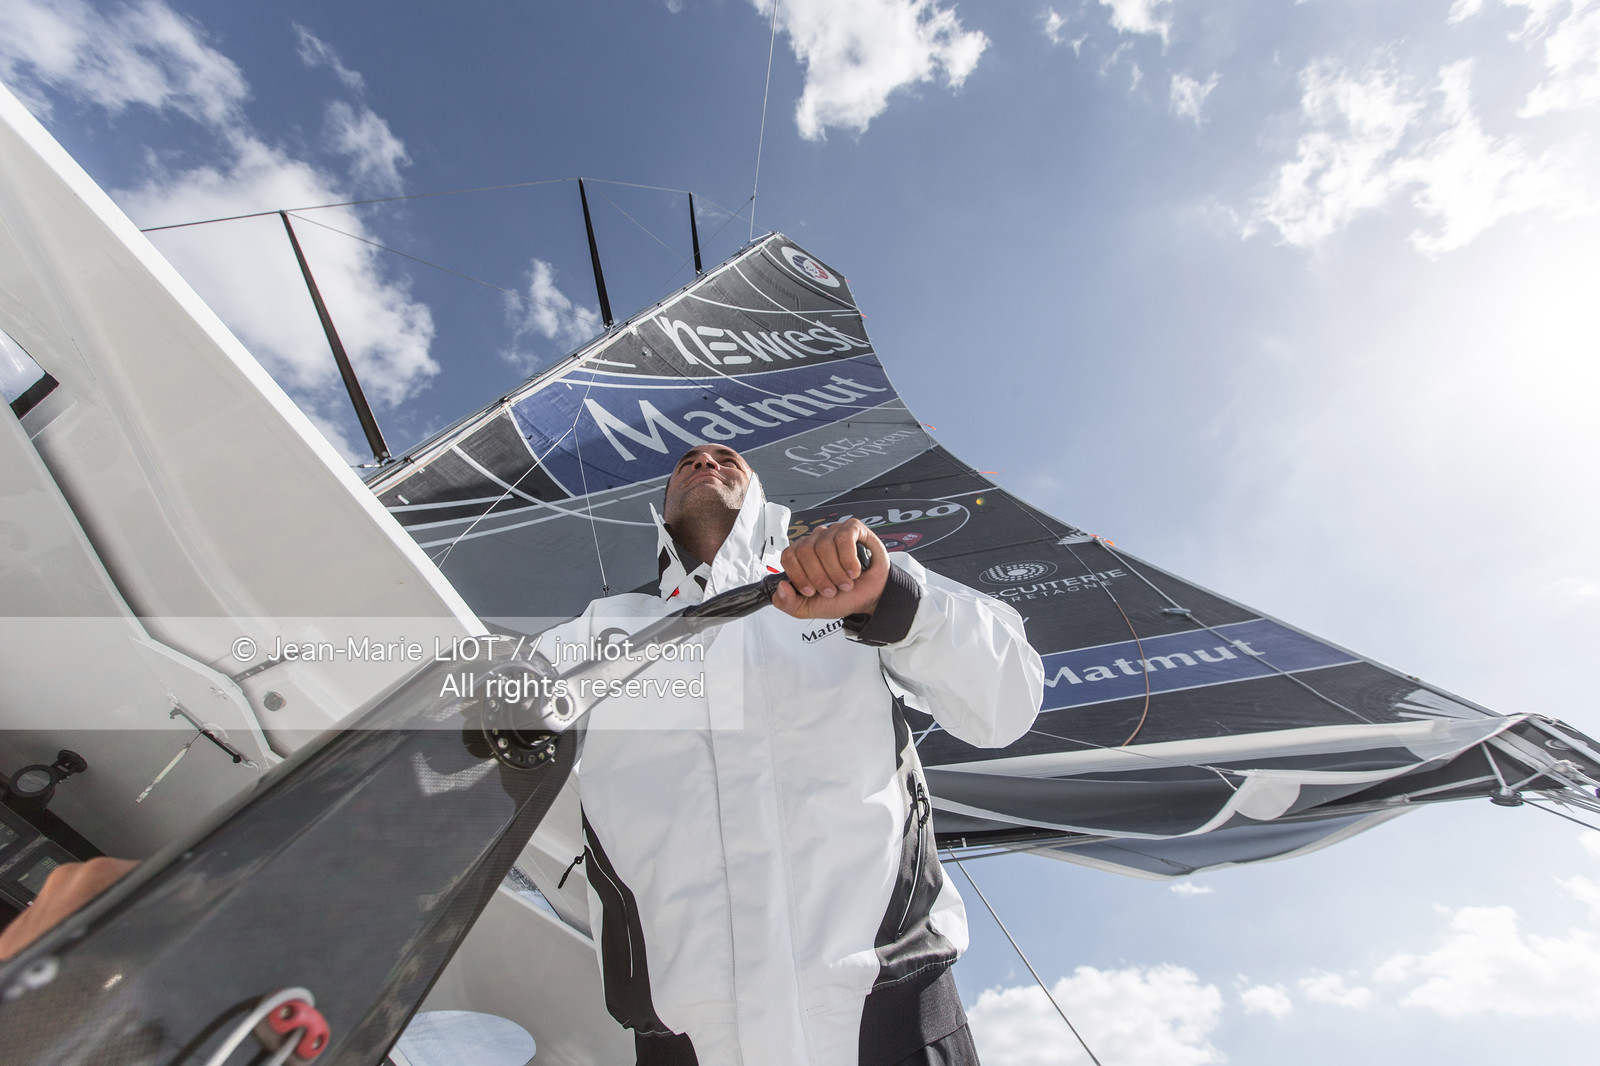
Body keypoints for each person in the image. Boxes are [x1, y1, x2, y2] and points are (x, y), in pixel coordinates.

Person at [552, 443, 1044, 1065]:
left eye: (727, 457)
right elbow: (467, 719)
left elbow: (1009, 703)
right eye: (688, 462)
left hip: (892, 1023)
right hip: (683, 1046)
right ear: (663, 504)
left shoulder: (858, 580)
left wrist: (891, 599)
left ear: (757, 488)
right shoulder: (595, 636)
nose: (706, 461)